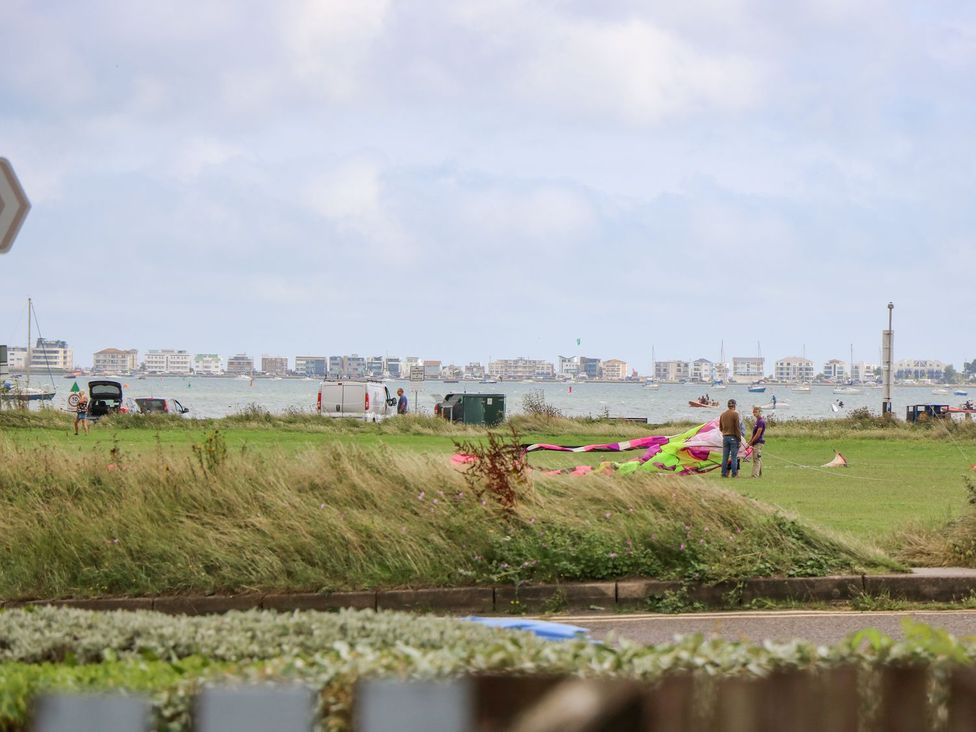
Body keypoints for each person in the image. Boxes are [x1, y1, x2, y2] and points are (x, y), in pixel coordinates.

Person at [719, 398, 741, 478]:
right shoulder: (735, 414)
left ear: (728, 405)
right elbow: (737, 428)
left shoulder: (722, 414)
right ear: (734, 405)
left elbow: (720, 427)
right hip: (733, 437)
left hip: (725, 437)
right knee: (734, 457)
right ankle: (734, 474)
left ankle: (723, 474)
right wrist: (739, 439)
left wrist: (725, 433)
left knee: (725, 457)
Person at [749, 406, 766, 478]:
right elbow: (754, 434)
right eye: (753, 412)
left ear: (760, 412)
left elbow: (758, 434)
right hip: (755, 442)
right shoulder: (757, 421)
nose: (754, 413)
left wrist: (751, 442)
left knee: (756, 459)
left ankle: (755, 475)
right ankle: (760, 474)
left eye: (756, 411)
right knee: (757, 458)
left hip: (758, 442)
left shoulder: (761, 421)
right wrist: (750, 441)